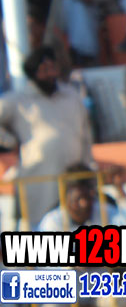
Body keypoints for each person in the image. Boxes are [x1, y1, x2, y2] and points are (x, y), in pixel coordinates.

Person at [33, 169, 126, 307]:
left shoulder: (103, 211)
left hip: (101, 290)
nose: (84, 204)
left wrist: (120, 192)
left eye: (87, 198)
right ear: (66, 200)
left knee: (121, 301)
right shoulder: (52, 221)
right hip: (67, 296)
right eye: (78, 199)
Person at [0, 48, 94, 228]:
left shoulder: (71, 96)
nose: (51, 74)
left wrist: (89, 164)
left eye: (53, 68)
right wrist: (9, 142)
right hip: (40, 179)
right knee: (40, 232)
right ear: (33, 73)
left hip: (73, 177)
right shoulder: (18, 99)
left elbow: (85, 134)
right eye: (44, 69)